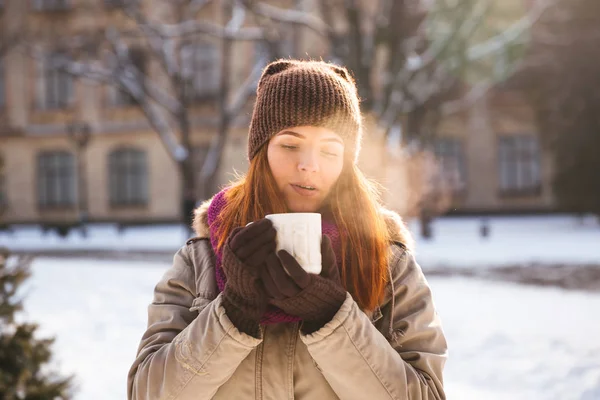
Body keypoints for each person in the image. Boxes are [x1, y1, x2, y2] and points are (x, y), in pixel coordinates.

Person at [128, 59, 448, 399]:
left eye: (329, 150)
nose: (308, 165)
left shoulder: (387, 263)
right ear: (261, 152)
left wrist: (333, 320)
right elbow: (147, 392)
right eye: (290, 145)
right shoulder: (201, 258)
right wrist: (231, 315)